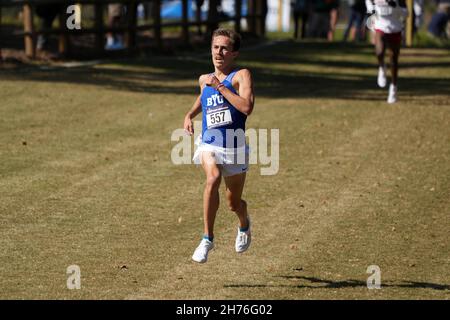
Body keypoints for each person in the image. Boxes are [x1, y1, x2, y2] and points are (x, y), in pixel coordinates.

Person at [183, 28, 254, 263]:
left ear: (234, 53)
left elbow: (246, 108)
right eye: (215, 47)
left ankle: (244, 224)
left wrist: (221, 87)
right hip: (209, 142)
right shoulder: (205, 80)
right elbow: (202, 98)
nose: (219, 52)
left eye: (224, 48)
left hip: (234, 146)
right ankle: (207, 239)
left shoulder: (241, 75)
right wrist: (189, 115)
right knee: (212, 177)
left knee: (234, 204)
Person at [366, 0, 408, 103]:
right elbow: (370, 8)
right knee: (379, 52)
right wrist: (372, 24)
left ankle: (393, 88)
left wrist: (395, 7)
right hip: (380, 25)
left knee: (393, 60)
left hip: (395, 28)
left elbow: (406, 13)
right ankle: (381, 66)